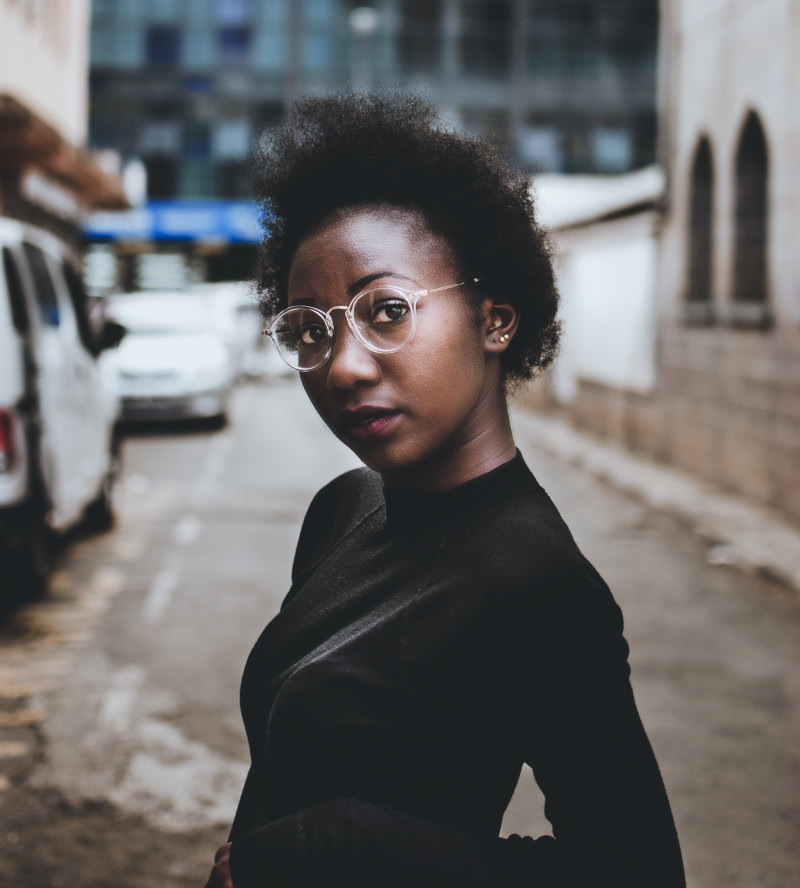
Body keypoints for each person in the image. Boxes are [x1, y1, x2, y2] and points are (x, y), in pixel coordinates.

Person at [204, 93, 685, 888]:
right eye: (311, 331)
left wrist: (337, 849)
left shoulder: (535, 582)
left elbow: (634, 869)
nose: (345, 367)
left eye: (386, 311)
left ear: (495, 320)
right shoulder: (345, 509)